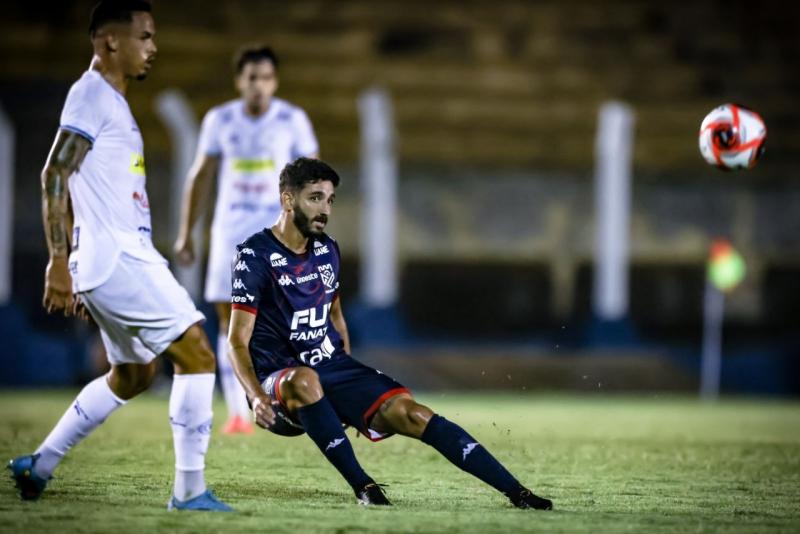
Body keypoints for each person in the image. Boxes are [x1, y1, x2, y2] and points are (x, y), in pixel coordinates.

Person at [226, 157, 554, 509]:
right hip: (278, 382)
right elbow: (236, 340)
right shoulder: (255, 256)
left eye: (330, 199)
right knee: (305, 380)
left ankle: (518, 493)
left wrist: (344, 385)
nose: (325, 209)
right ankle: (366, 489)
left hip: (329, 369)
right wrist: (257, 397)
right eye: (315, 198)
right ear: (288, 200)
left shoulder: (327, 251)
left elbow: (335, 317)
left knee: (413, 414)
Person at [7, 0, 231, 512]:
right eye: (145, 37)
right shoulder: (91, 95)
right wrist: (59, 263)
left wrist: (81, 267)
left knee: (134, 375)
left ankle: (38, 464)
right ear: (110, 41)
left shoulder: (111, 102)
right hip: (119, 256)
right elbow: (54, 175)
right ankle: (190, 491)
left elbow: (90, 188)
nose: (154, 48)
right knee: (197, 353)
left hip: (110, 259)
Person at [173, 45, 318, 434]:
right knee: (228, 320)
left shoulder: (292, 120)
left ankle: (291, 397)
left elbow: (312, 179)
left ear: (275, 81)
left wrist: (313, 228)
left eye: (266, 78)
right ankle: (240, 412)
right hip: (230, 231)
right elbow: (200, 175)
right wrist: (187, 233)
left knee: (285, 315)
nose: (259, 85)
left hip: (277, 230)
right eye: (252, 77)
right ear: (240, 81)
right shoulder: (220, 120)